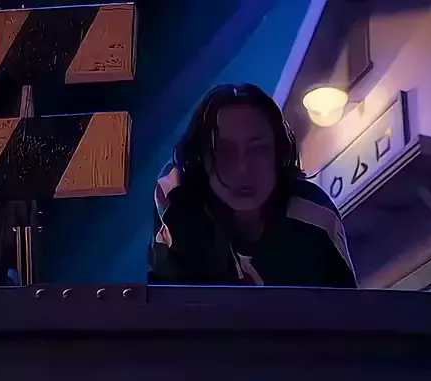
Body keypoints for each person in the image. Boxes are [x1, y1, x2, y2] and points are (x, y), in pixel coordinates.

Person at [148, 83, 356, 287]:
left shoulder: (315, 217)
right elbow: (169, 299)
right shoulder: (178, 205)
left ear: (279, 154)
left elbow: (345, 306)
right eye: (224, 152)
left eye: (258, 149)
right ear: (201, 159)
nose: (243, 169)